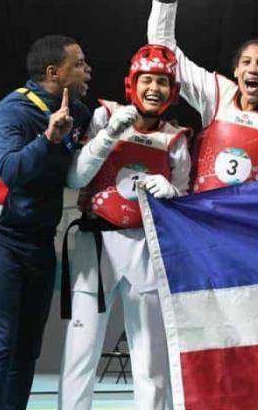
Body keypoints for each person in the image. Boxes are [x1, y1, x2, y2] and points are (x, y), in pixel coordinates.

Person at [0, 35, 92, 410]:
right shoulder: (11, 112)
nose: (88, 70)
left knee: (27, 348)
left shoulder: (80, 114)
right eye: (79, 63)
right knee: (0, 343)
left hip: (38, 237)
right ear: (54, 72)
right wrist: (49, 137)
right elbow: (12, 171)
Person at [58, 44, 189, 410]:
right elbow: (74, 177)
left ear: (172, 90)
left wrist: (174, 194)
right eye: (147, 79)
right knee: (80, 352)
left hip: (148, 249)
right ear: (133, 83)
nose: (154, 88)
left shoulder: (176, 141)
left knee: (150, 357)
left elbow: (185, 205)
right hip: (95, 243)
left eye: (162, 81)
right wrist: (105, 137)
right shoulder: (104, 116)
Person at [146, 0, 258, 192]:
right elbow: (164, 53)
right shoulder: (217, 94)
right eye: (246, 62)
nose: (253, 69)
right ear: (236, 71)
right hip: (202, 217)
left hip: (248, 224)